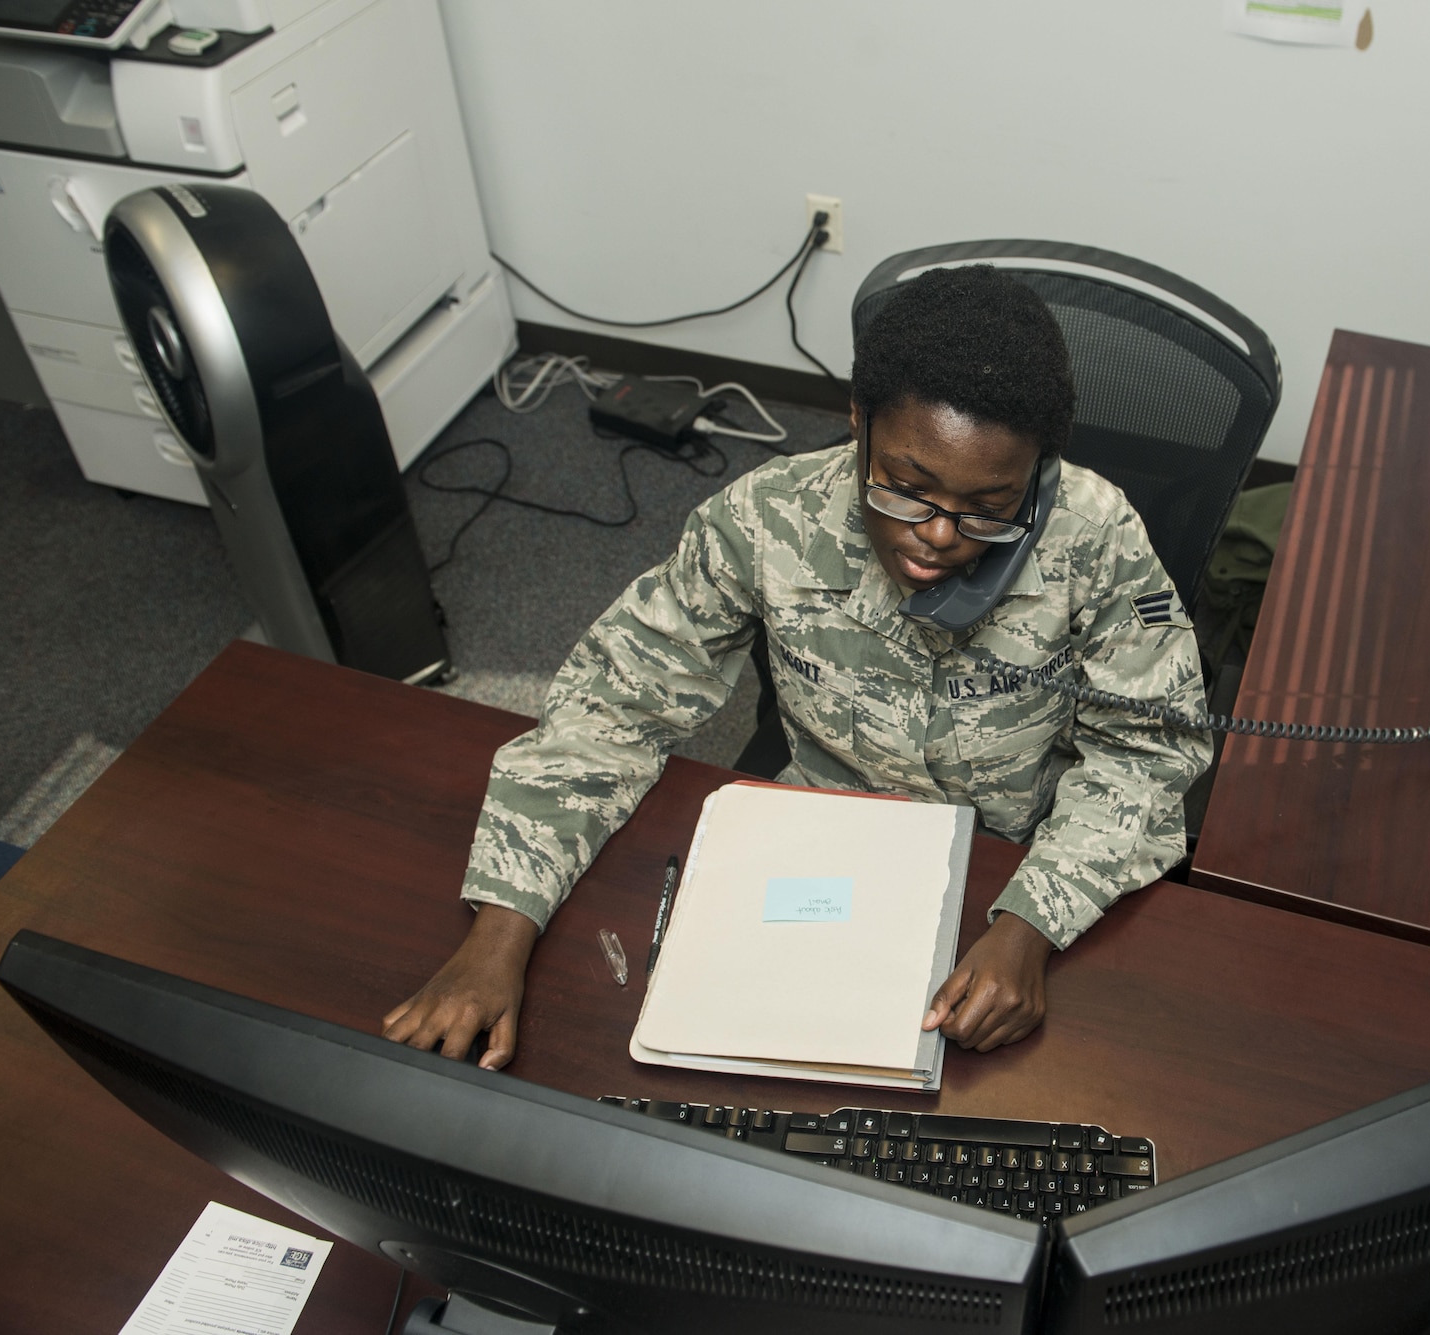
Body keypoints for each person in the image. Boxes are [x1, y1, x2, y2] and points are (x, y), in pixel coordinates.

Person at [383, 265, 1212, 1068]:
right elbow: (612, 703)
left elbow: (1149, 753)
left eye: (989, 510)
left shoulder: (1096, 539)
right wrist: (497, 939)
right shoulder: (767, 517)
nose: (938, 534)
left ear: (1036, 476)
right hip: (822, 850)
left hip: (1021, 864)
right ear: (859, 421)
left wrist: (1033, 923)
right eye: (905, 486)